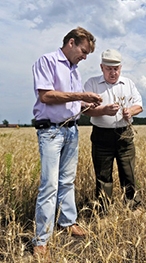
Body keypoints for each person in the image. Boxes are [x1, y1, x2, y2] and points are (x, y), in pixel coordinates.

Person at [32, 26, 102, 260]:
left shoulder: (74, 69)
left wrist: (86, 105)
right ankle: (41, 239)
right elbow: (47, 96)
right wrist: (81, 96)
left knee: (67, 181)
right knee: (50, 185)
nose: (84, 57)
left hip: (71, 129)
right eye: (83, 51)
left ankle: (68, 222)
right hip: (51, 131)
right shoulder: (47, 61)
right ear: (71, 43)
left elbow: (70, 102)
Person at [84, 49, 143, 214]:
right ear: (101, 67)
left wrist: (130, 111)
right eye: (109, 68)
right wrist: (103, 110)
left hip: (125, 134)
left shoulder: (128, 83)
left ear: (121, 68)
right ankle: (103, 210)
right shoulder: (92, 84)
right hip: (101, 135)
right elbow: (85, 110)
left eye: (116, 68)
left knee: (128, 172)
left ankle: (133, 207)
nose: (113, 72)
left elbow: (139, 105)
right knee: (103, 176)